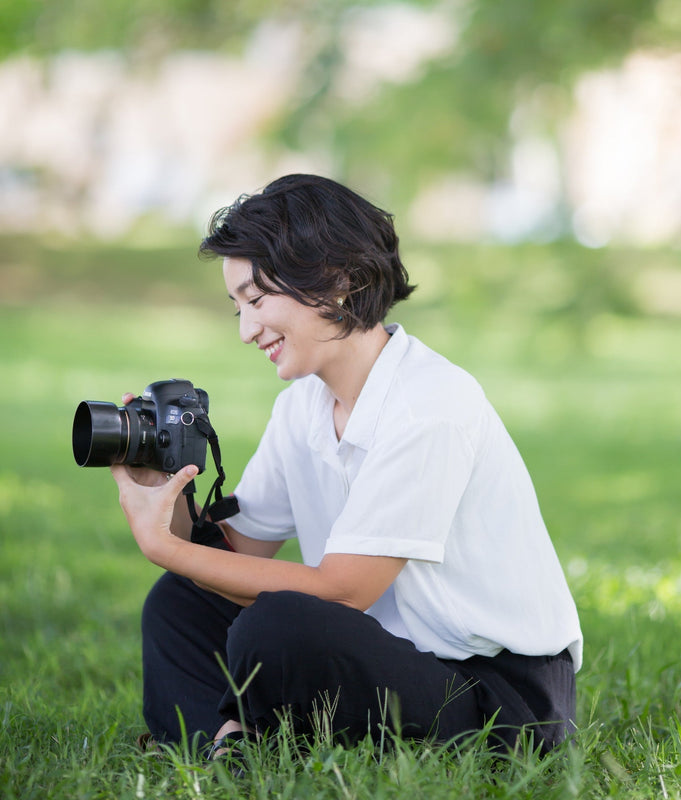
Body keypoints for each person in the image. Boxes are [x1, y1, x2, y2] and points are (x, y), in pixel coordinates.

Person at [111, 174, 582, 761]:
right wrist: (168, 500)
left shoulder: (428, 404)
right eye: (236, 307)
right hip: (392, 653)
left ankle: (240, 737)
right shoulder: (303, 407)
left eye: (256, 300)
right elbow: (235, 556)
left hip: (498, 694)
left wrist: (164, 547)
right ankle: (228, 744)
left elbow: (343, 592)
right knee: (181, 601)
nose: (246, 330)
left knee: (280, 624)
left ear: (338, 280)